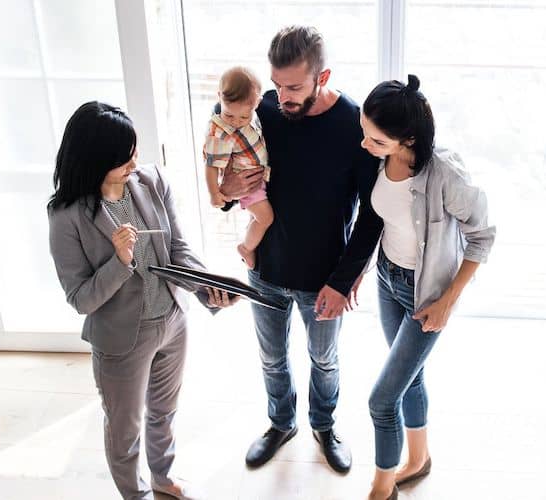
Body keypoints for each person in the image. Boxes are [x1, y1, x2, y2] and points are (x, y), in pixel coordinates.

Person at [47, 101, 238, 500]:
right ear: (96, 160)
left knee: (164, 414)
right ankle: (134, 495)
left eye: (134, 152)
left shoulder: (151, 181)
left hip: (172, 320)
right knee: (124, 428)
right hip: (121, 340)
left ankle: (162, 478)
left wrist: (208, 288)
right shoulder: (67, 217)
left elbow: (178, 250)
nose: (134, 163)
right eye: (124, 158)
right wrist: (121, 261)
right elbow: (80, 299)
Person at [217, 26, 384, 474]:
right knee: (271, 357)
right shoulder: (263, 110)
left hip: (324, 277)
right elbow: (231, 168)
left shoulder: (354, 124)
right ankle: (280, 423)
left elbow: (373, 214)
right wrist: (228, 190)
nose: (281, 96)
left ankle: (324, 426)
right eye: (276, 84)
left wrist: (343, 280)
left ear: (322, 76)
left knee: (324, 359)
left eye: (293, 87)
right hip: (265, 268)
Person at [358, 75, 496, 500]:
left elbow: (482, 237)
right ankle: (418, 460)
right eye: (364, 134)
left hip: (426, 297)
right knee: (409, 379)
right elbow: (378, 220)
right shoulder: (377, 159)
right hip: (387, 278)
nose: (366, 146)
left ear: (408, 139)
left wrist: (447, 303)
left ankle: (382, 490)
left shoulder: (445, 175)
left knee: (382, 401)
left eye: (377, 141)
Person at [202, 66, 273, 269]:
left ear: (256, 103)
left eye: (243, 117)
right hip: (247, 183)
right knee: (265, 218)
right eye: (229, 115)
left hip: (258, 178)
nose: (235, 123)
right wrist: (215, 193)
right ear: (219, 98)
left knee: (257, 216)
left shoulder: (253, 112)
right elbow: (211, 165)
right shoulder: (220, 131)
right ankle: (246, 248)